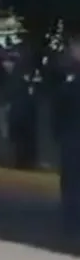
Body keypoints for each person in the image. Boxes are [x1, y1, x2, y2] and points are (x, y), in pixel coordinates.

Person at [53, 35, 80, 234]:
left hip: (72, 135)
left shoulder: (69, 73)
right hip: (71, 134)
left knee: (71, 181)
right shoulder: (66, 70)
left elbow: (60, 107)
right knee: (71, 180)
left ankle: (72, 220)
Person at [0, 48, 39, 169]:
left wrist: (4, 102)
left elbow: (9, 91)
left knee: (19, 138)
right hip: (26, 110)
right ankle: (26, 161)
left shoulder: (16, 74)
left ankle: (21, 162)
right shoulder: (29, 71)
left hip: (18, 110)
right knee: (26, 138)